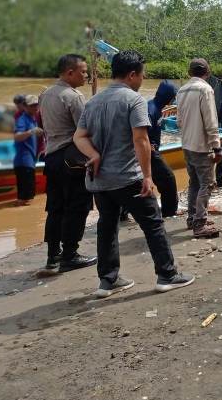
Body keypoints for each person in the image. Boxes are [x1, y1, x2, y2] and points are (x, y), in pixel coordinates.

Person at [73, 50, 194, 297]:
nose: (142, 79)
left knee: (106, 227)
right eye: (142, 75)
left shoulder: (93, 101)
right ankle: (167, 275)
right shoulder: (134, 100)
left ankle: (107, 280)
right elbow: (141, 140)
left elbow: (79, 136)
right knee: (153, 224)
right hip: (128, 177)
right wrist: (148, 177)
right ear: (132, 75)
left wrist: (93, 155)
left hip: (100, 180)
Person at [38, 54, 97, 273]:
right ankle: (70, 254)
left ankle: (53, 256)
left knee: (55, 208)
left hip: (51, 157)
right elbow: (86, 130)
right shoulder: (73, 96)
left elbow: (42, 124)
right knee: (77, 206)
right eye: (83, 71)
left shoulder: (45, 94)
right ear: (70, 72)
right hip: (71, 159)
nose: (86, 75)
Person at [177, 58, 222, 238]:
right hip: (201, 146)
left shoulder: (182, 90)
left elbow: (179, 120)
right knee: (207, 184)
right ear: (207, 72)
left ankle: (192, 217)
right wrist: (217, 146)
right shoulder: (205, 89)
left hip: (186, 144)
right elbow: (211, 122)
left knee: (194, 182)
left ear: (190, 73)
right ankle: (199, 223)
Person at [147, 80, 179, 218]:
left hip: (153, 150)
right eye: (173, 96)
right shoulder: (151, 109)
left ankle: (123, 212)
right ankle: (169, 212)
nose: (173, 99)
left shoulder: (157, 107)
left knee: (135, 183)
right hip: (149, 151)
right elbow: (141, 132)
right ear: (167, 96)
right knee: (168, 179)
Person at [13, 94, 43, 206]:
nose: (35, 107)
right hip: (23, 161)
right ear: (25, 106)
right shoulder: (22, 119)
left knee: (28, 196)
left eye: (36, 105)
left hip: (29, 161)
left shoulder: (32, 119)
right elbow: (17, 136)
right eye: (32, 105)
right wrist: (31, 132)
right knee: (24, 198)